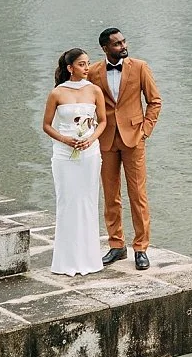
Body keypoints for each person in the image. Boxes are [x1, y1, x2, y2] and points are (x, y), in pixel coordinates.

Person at [89, 28, 163, 270]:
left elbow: (155, 101)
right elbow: (86, 104)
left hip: (134, 138)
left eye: (123, 41)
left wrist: (145, 130)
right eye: (117, 44)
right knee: (111, 196)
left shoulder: (140, 67)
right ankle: (117, 245)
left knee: (138, 195)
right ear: (105, 48)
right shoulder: (93, 72)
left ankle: (141, 248)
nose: (123, 45)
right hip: (106, 140)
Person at [42, 47, 107, 276]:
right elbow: (47, 125)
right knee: (67, 202)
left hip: (89, 153)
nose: (87, 68)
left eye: (88, 63)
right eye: (81, 64)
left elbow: (102, 122)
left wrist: (90, 140)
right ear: (70, 68)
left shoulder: (95, 91)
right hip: (64, 154)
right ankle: (66, 261)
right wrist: (65, 139)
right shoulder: (57, 93)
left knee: (88, 201)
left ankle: (90, 259)